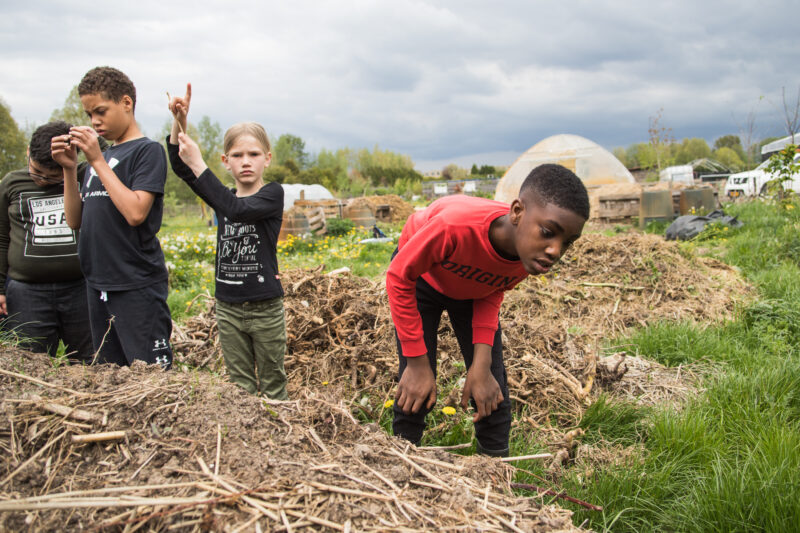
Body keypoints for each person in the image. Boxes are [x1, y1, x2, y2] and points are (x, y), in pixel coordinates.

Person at [386, 164, 589, 456]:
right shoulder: (454, 226)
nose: (555, 251)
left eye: (567, 242)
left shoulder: (528, 255)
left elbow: (492, 289)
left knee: (492, 388)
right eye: (548, 232)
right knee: (416, 382)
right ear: (517, 212)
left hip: (469, 289)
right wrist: (418, 364)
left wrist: (480, 366)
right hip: (421, 279)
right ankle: (400, 459)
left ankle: (494, 474)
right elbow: (399, 277)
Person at [166, 84, 287, 399]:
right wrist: (179, 122)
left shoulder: (272, 195)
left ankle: (283, 443)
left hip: (265, 307)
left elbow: (238, 210)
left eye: (254, 154)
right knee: (240, 388)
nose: (246, 161)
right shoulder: (223, 196)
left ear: (267, 159)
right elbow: (180, 166)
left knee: (274, 386)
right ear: (225, 160)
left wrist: (199, 163)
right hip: (228, 307)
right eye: (237, 155)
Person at [50, 66, 173, 368]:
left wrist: (95, 159)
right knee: (110, 373)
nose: (94, 121)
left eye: (101, 111)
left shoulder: (147, 152)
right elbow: (75, 220)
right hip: (98, 282)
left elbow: (135, 212)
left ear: (126, 103)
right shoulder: (99, 160)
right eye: (89, 114)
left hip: (135, 284)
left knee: (149, 376)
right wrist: (69, 168)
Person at [0, 121, 103, 363]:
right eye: (37, 172)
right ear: (28, 153)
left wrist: (83, 137)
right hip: (26, 293)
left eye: (53, 177)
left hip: (80, 288)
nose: (43, 181)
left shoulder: (86, 174)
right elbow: (1, 238)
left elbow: (112, 154)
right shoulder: (11, 183)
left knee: (93, 362)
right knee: (28, 363)